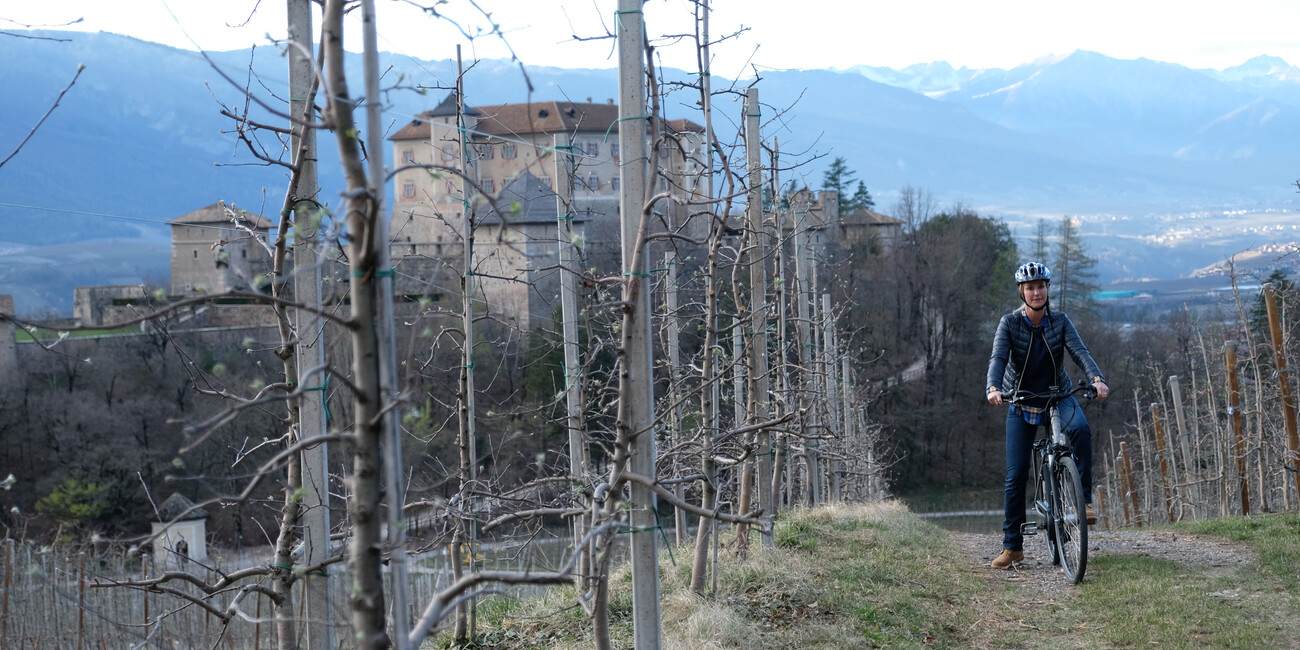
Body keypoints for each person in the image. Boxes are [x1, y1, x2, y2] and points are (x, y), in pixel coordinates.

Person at [985, 262, 1109, 569]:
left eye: (1041, 287)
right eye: (1030, 288)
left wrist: (1096, 378)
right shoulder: (1010, 323)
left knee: (1079, 429)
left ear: (1047, 290)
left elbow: (1080, 352)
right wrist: (993, 387)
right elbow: (998, 357)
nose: (1036, 292)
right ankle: (1013, 546)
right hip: (1022, 400)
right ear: (1022, 293)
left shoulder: (1061, 321)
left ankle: (1084, 501)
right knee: (1015, 476)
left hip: (1058, 396)